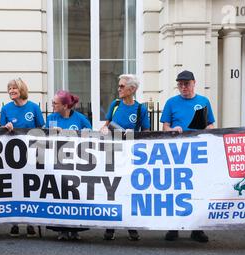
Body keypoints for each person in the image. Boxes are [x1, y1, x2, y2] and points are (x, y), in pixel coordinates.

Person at [160, 70, 215, 243]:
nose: (183, 87)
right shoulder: (171, 102)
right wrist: (172, 130)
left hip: (197, 151)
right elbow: (165, 128)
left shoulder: (203, 101)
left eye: (187, 84)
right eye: (180, 84)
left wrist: (209, 130)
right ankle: (173, 227)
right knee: (176, 189)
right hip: (177, 152)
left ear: (194, 83)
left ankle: (197, 229)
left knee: (197, 189)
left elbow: (211, 124)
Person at [100, 74, 150, 241]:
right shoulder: (114, 105)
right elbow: (105, 126)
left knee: (129, 190)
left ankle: (131, 225)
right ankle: (111, 226)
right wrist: (105, 129)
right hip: (112, 153)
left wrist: (133, 135)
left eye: (122, 86)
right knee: (112, 189)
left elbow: (146, 133)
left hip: (131, 155)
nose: (119, 89)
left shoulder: (140, 109)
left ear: (132, 89)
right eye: (119, 86)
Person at [0, 77, 44, 237]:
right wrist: (6, 127)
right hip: (13, 154)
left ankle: (31, 222)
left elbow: (41, 129)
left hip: (31, 153)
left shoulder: (33, 108)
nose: (11, 91)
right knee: (15, 187)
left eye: (14, 88)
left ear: (21, 90)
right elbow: (0, 131)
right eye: (9, 88)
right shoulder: (6, 109)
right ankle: (15, 222)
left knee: (31, 186)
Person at [45, 90, 91, 240]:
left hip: (76, 162)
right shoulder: (51, 118)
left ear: (65, 106)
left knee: (75, 194)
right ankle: (62, 230)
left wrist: (64, 132)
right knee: (60, 194)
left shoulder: (80, 118)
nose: (52, 105)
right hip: (58, 162)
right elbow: (45, 136)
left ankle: (75, 229)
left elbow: (89, 133)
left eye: (55, 103)